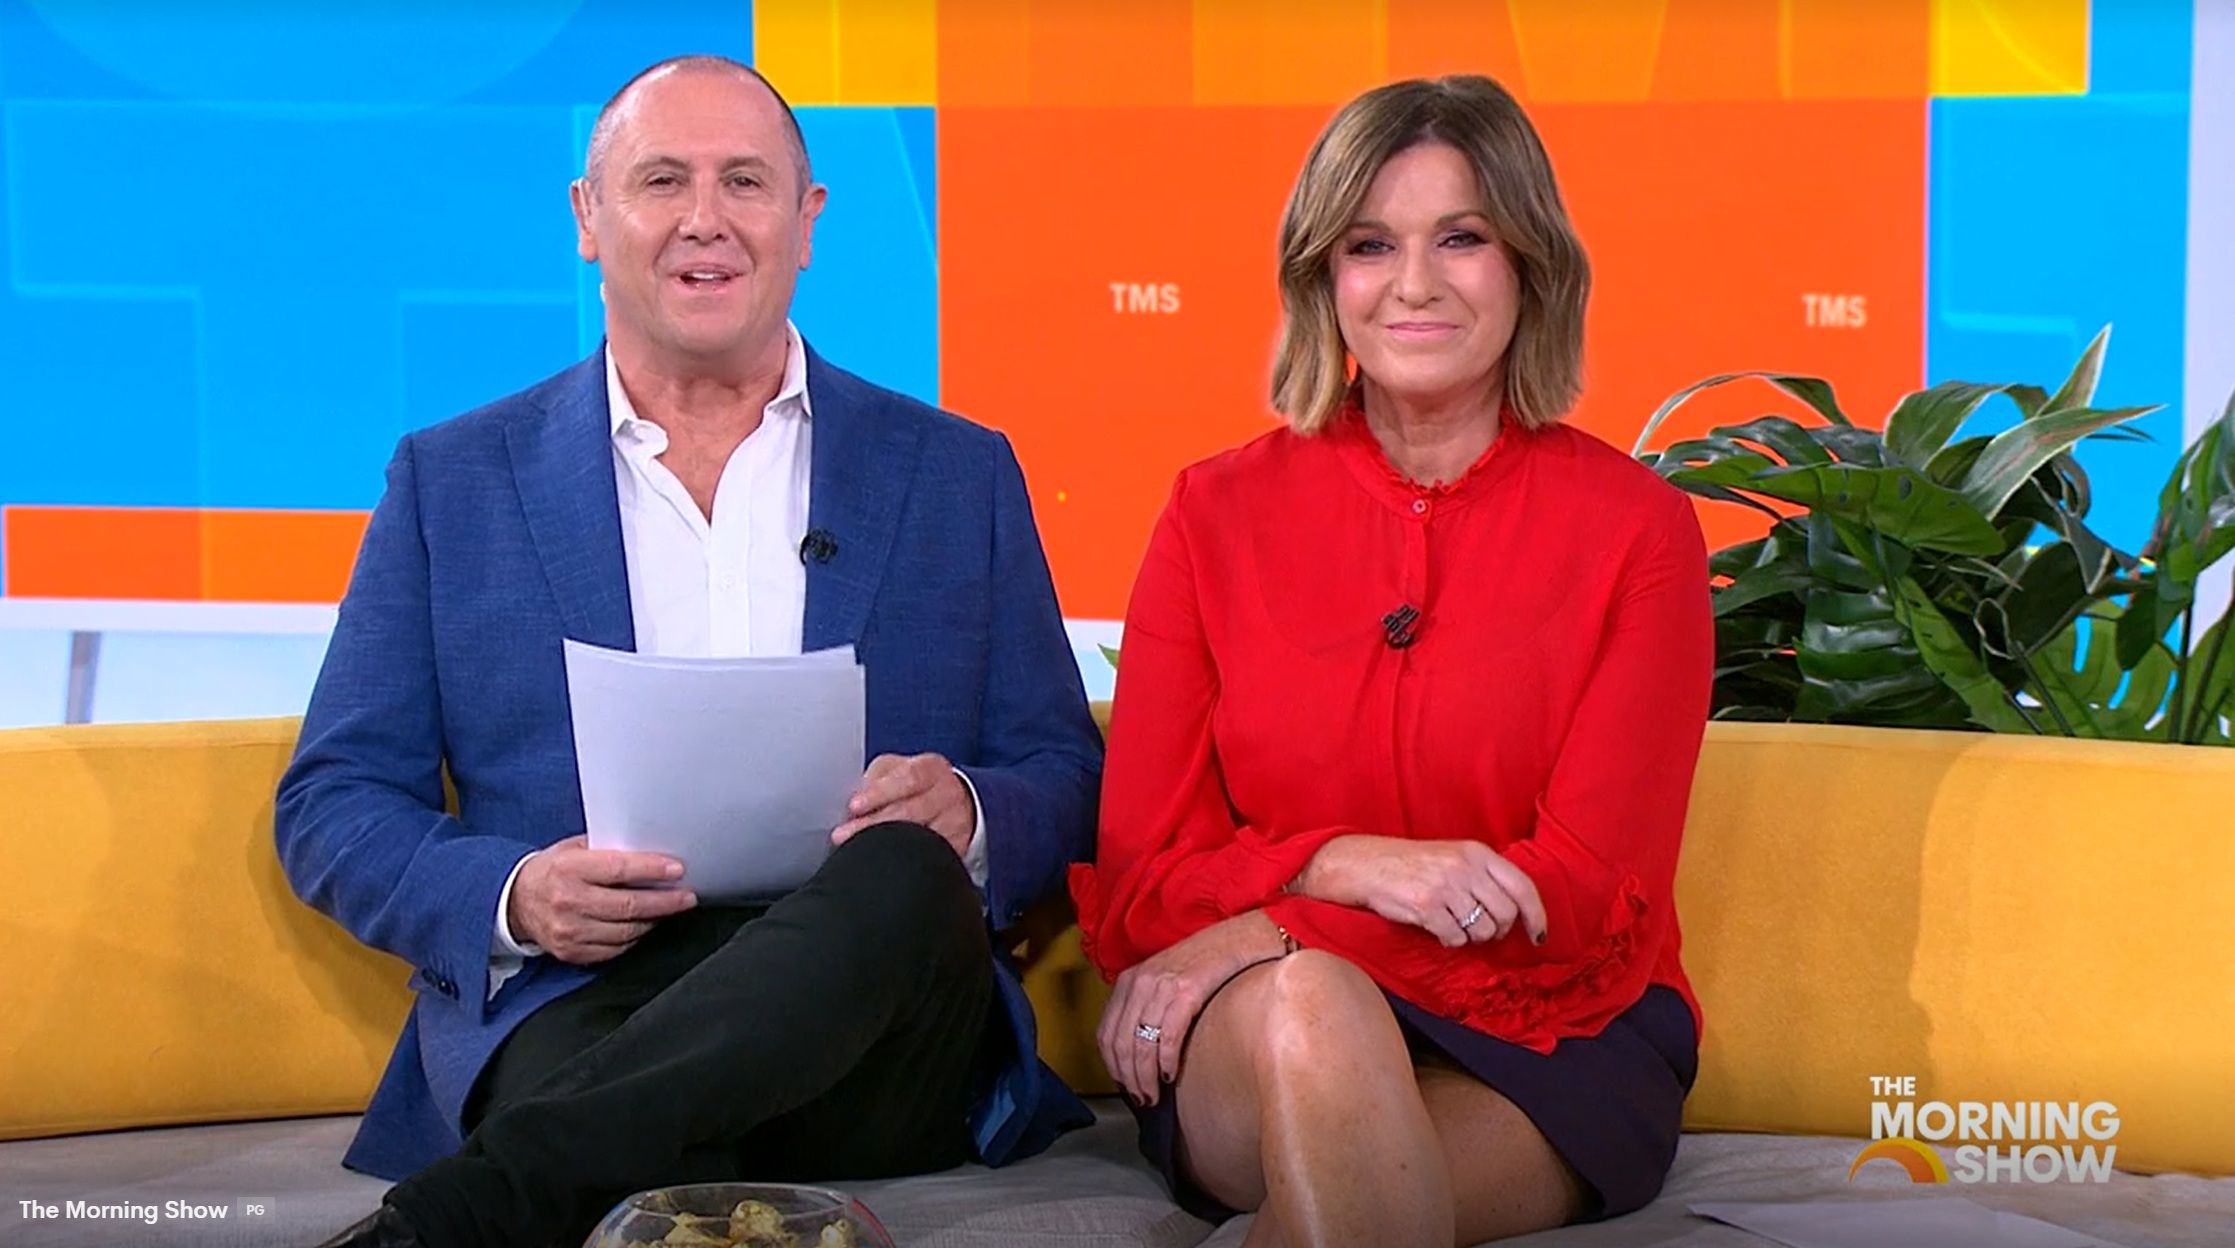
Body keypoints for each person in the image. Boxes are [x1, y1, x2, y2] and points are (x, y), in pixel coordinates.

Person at [281, 55, 1101, 1248]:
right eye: (663, 179)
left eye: (745, 182)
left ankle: (462, 1216)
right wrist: (516, 895)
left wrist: (970, 815)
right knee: (628, 1101)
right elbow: (333, 801)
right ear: (588, 217)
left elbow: (1064, 770)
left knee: (906, 872)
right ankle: (599, 1167)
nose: (705, 219)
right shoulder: (452, 481)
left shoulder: (955, 471)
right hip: (585, 1003)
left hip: (876, 1025)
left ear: (807, 222)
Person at [1069, 74, 1712, 1247]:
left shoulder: (1639, 532)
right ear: (1324, 277)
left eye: (1461, 238)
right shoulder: (1213, 515)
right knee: (1317, 1008)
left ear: (1530, 265)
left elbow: (1580, 899)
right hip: (1261, 1026)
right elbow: (1144, 886)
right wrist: (1341, 867)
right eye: (1370, 245)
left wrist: (1270, 921)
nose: (1415, 282)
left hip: (1555, 1035)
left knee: (1355, 1192)